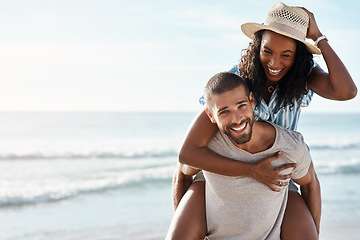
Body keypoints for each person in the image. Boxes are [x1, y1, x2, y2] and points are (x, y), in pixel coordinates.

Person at [172, 2, 357, 240]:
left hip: (277, 172)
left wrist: (319, 38)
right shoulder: (238, 80)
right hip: (227, 168)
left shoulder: (304, 76)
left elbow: (347, 92)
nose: (274, 63)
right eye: (267, 51)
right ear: (258, 45)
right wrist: (253, 171)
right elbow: (188, 154)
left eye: (286, 55)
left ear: (298, 57)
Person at [166, 72, 318, 239]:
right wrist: (181, 221)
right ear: (211, 115)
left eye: (241, 106)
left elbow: (311, 185)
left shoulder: (289, 147)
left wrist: (316, 233)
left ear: (252, 101)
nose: (237, 119)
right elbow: (181, 174)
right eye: (224, 112)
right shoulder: (207, 147)